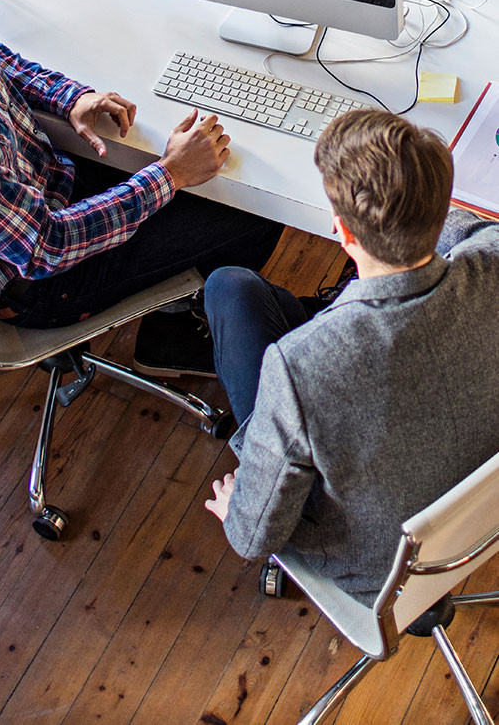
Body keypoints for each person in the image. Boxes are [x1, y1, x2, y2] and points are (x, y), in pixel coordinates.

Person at [0, 0, 282, 377]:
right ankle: (173, 337)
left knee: (214, 180)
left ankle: (178, 310)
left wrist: (71, 97)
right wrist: (170, 175)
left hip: (50, 185)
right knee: (255, 214)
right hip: (45, 280)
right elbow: (46, 246)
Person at [204, 108, 499, 604]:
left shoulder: (300, 367)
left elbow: (252, 538)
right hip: (479, 514)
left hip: (379, 572)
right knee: (247, 293)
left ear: (342, 232)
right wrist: (413, 201)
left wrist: (237, 509)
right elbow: (475, 233)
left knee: (229, 289)